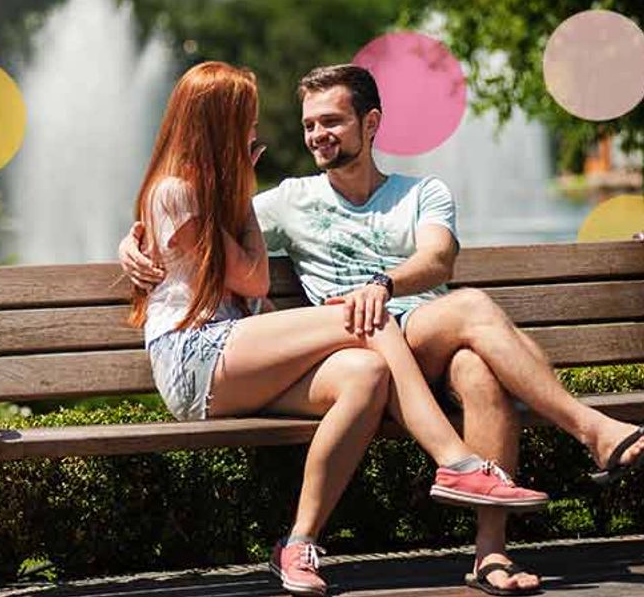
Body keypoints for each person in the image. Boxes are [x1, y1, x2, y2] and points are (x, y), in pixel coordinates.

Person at [120, 63, 644, 596]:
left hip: (413, 331)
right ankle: (547, 442)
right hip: (296, 341)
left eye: (332, 121)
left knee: (458, 356)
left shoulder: (423, 191)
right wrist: (133, 242)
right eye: (309, 125)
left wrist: (383, 285)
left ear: (371, 124)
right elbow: (194, 224)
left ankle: (487, 555)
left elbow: (439, 259)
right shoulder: (287, 199)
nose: (315, 135)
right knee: (381, 325)